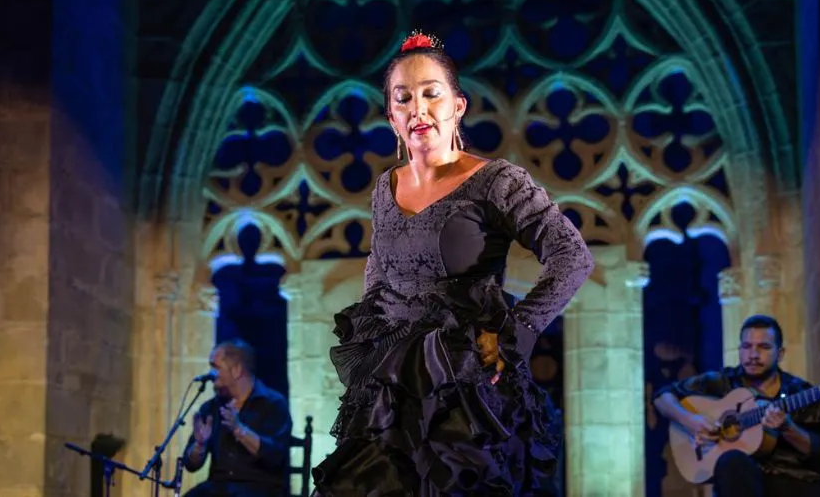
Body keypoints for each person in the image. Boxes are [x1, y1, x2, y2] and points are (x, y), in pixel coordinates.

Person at [311, 30, 595, 496]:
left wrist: (516, 333)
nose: (418, 109)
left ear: (457, 106)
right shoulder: (385, 188)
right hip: (390, 392)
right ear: (391, 117)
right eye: (403, 98)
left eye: (431, 94)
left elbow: (572, 256)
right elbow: (379, 269)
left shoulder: (496, 181)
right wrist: (371, 348)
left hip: (463, 385)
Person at [652, 315, 820, 497]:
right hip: (740, 479)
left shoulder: (801, 392)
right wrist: (691, 421)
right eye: (747, 346)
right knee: (733, 461)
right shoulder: (723, 382)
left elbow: (819, 450)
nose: (753, 355)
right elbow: (662, 397)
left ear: (780, 353)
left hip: (792, 478)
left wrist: (788, 428)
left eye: (764, 347)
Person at [183, 340, 294, 497]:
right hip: (218, 488)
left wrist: (238, 429)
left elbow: (275, 457)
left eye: (216, 367)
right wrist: (199, 445)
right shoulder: (211, 408)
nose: (211, 374)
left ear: (237, 370)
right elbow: (191, 465)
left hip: (261, 488)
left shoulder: (273, 404)